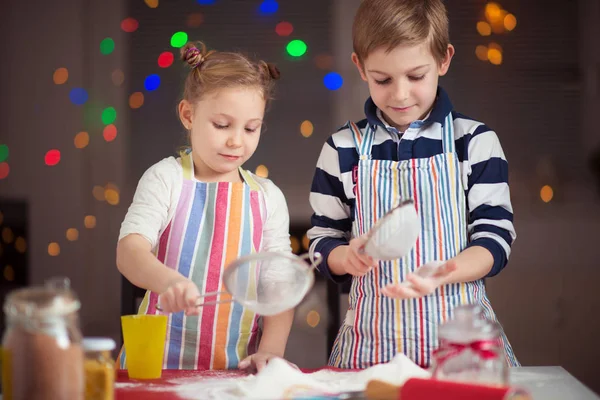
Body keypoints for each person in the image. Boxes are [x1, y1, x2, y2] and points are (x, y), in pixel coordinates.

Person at [307, 0, 519, 369]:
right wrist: (347, 257)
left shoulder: (473, 142)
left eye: (416, 76)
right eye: (383, 79)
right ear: (360, 67)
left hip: (463, 350)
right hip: (368, 351)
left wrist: (446, 270)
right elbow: (323, 241)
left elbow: (494, 240)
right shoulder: (343, 148)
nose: (400, 94)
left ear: (443, 60)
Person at [116, 41, 293, 372]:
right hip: (155, 365)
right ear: (188, 114)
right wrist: (166, 280)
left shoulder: (267, 196)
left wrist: (270, 351)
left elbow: (278, 286)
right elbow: (129, 251)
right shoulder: (165, 178)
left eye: (250, 128)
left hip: (235, 370)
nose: (236, 140)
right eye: (222, 125)